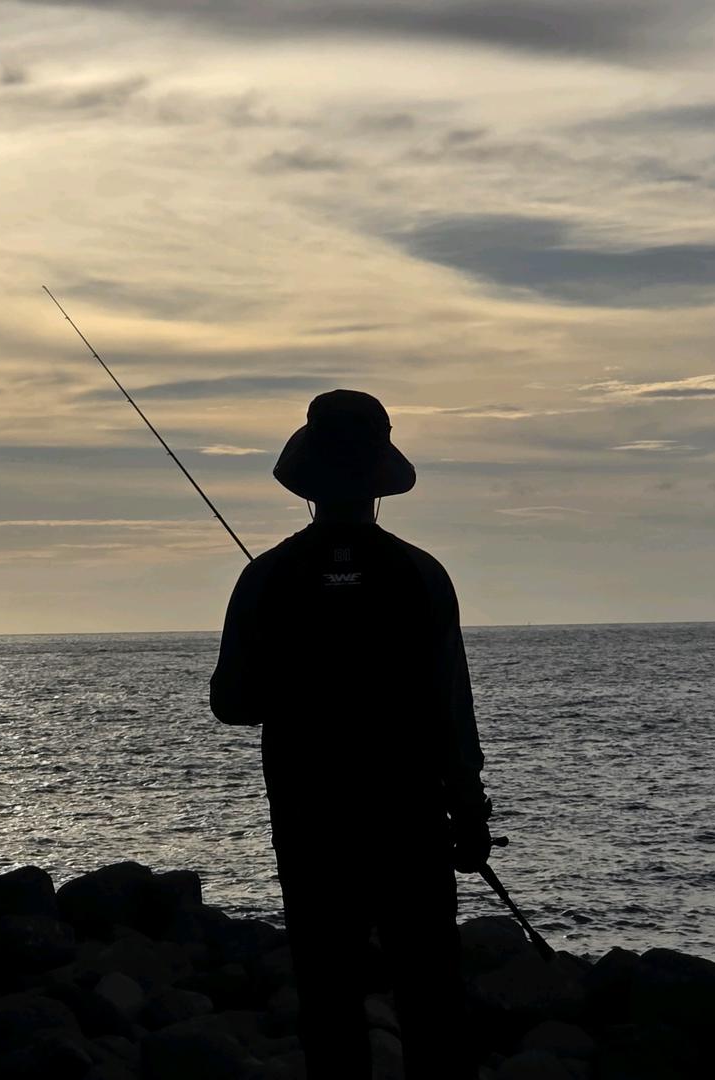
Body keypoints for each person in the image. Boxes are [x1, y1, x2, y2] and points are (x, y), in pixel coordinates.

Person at [209, 389, 492, 1080]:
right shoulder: (422, 575)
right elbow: (452, 711)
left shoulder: (266, 576)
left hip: (310, 824)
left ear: (308, 481)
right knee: (431, 995)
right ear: (378, 484)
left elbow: (233, 705)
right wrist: (469, 814)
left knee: (328, 998)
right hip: (411, 819)